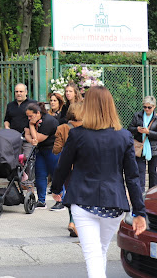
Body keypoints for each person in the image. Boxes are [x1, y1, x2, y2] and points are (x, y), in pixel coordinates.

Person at [50, 86, 146, 278]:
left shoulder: (77, 135)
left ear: (88, 106)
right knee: (99, 251)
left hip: (83, 200)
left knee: (93, 255)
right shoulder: (124, 136)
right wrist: (139, 211)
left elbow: (63, 165)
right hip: (114, 204)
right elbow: (133, 177)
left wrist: (56, 188)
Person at [53, 102, 83, 238]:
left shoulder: (62, 128)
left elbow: (56, 150)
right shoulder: (88, 128)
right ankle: (77, 222)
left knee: (70, 193)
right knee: (82, 195)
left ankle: (72, 220)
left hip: (67, 167)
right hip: (83, 166)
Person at [25, 102, 59, 210]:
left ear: (38, 113)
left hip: (52, 149)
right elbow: (27, 134)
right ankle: (41, 200)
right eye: (28, 116)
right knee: (40, 174)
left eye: (31, 116)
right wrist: (31, 140)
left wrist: (31, 126)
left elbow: (37, 138)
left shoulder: (49, 121)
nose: (29, 118)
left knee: (56, 174)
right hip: (40, 150)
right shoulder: (32, 120)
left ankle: (61, 200)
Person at [4, 83, 37, 190]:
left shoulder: (32, 104)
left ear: (26, 92)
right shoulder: (10, 105)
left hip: (27, 138)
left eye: (21, 91)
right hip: (13, 139)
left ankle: (29, 183)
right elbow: (6, 120)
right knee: (15, 161)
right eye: (17, 91)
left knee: (28, 159)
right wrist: (7, 128)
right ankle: (17, 183)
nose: (18, 94)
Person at [129, 96, 157, 191]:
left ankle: (152, 195)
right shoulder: (138, 116)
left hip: (153, 149)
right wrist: (137, 129)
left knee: (153, 173)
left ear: (154, 107)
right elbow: (130, 129)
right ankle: (141, 195)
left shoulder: (156, 118)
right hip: (139, 148)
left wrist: (148, 132)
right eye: (145, 107)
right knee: (140, 172)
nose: (147, 109)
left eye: (149, 107)